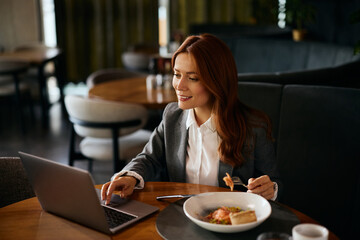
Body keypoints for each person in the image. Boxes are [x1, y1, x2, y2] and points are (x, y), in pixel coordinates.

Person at [101, 34, 281, 204]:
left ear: (217, 82)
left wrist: (270, 189)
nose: (179, 86)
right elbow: (149, 158)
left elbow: (274, 182)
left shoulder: (254, 127)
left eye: (193, 78)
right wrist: (130, 176)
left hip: (227, 221)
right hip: (180, 216)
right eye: (177, 74)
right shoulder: (172, 115)